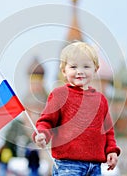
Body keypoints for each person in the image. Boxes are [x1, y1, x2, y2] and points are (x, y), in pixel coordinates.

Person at [32, 41, 121, 176]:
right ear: (64, 71)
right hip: (68, 164)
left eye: (86, 66)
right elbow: (47, 121)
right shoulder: (59, 95)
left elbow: (108, 130)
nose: (80, 71)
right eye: (73, 67)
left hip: (95, 166)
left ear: (95, 69)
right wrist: (42, 134)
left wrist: (111, 151)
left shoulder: (100, 100)